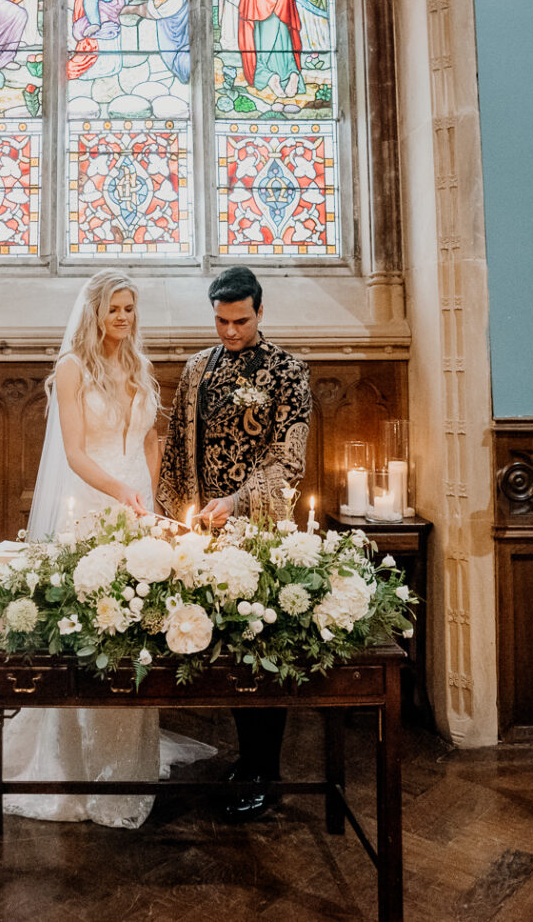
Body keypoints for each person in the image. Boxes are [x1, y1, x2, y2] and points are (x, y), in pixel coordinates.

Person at [0, 272, 213, 826]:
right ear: (94, 313)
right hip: (91, 502)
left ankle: (127, 758)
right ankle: (76, 760)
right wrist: (120, 491)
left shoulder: (138, 367)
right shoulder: (71, 370)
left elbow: (148, 440)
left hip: (138, 506)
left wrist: (152, 501)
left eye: (130, 308)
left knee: (136, 630)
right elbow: (72, 452)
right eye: (115, 308)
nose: (124, 317)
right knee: (91, 628)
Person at [155, 267, 313, 821]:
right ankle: (247, 759)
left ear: (261, 312)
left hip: (259, 532)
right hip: (202, 534)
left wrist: (239, 500)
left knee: (262, 653)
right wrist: (171, 518)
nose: (229, 331)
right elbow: (177, 450)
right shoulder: (196, 368)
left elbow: (288, 457)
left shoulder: (289, 371)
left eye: (240, 321)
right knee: (222, 649)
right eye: (220, 321)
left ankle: (266, 772)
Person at [237, 0, 303, 98]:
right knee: (287, 54)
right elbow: (288, 6)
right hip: (282, 29)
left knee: (261, 57)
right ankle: (293, 74)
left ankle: (270, 77)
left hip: (261, 30)